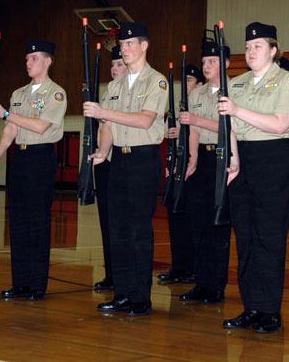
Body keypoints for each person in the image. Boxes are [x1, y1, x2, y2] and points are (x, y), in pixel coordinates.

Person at [219, 22, 289, 333]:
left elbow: (281, 124)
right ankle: (250, 307)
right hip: (245, 161)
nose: (251, 51)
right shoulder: (237, 83)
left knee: (269, 239)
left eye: (258, 46)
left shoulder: (286, 81)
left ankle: (270, 311)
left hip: (274, 160)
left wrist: (238, 111)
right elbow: (230, 129)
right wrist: (235, 160)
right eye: (248, 46)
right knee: (246, 240)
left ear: (273, 50)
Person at [83, 22, 168, 316]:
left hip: (143, 160)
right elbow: (107, 126)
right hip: (118, 159)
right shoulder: (115, 86)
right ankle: (122, 292)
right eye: (122, 44)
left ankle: (140, 297)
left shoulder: (156, 81)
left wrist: (102, 111)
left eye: (131, 44)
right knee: (117, 228)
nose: (125, 49)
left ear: (144, 46)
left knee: (138, 230)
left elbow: (145, 120)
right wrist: (102, 151)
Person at [0, 40, 67, 301]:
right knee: (18, 223)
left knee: (37, 222)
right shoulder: (19, 94)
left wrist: (6, 115)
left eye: (34, 58)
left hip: (40, 157)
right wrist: (0, 150)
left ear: (48, 61)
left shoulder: (56, 93)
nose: (28, 63)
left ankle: (36, 284)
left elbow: (41, 127)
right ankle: (20, 282)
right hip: (18, 159)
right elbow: (12, 128)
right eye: (26, 59)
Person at [177, 40, 232, 303]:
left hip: (224, 159)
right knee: (198, 223)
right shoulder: (196, 95)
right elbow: (194, 131)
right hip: (202, 161)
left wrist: (196, 121)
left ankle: (216, 286)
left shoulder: (235, 90)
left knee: (217, 225)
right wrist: (193, 157)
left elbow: (229, 127)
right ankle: (201, 282)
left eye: (212, 61)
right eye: (204, 62)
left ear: (226, 63)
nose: (206, 66)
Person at [157, 63, 203, 285]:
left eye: (190, 80)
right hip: (177, 166)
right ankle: (178, 266)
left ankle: (193, 268)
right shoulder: (178, 106)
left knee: (192, 221)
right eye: (183, 81)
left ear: (199, 84)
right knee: (175, 218)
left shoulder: (202, 106)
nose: (186, 85)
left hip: (195, 167)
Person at [93, 45, 128, 291]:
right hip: (105, 160)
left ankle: (124, 275)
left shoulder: (133, 92)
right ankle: (111, 273)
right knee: (107, 222)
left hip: (124, 160)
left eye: (120, 65)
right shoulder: (108, 93)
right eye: (113, 65)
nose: (115, 69)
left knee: (123, 223)